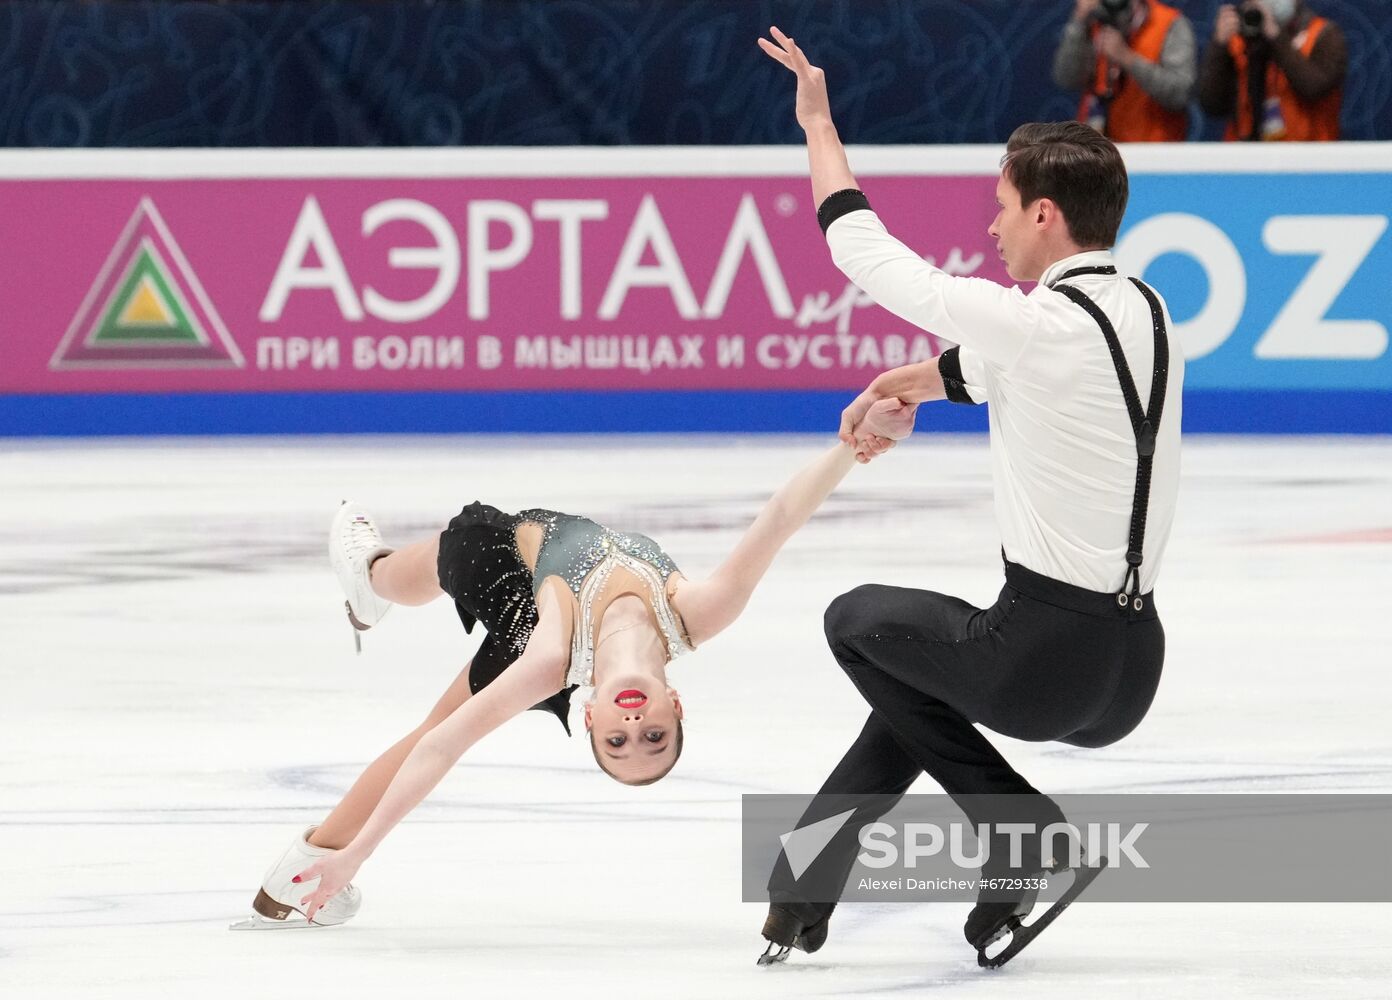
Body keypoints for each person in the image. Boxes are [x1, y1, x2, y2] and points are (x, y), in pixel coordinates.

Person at [757, 26, 1183, 965]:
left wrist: (819, 124)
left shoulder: (1033, 324)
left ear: (1043, 214)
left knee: (856, 620)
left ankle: (1019, 829)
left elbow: (862, 252)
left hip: (1044, 661)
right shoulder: (1144, 313)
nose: (989, 229)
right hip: (1131, 668)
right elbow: (991, 369)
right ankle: (803, 888)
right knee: (914, 677)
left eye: (999, 209)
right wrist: (894, 388)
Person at [231, 417, 911, 929]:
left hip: (507, 568)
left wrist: (360, 857)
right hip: (541, 612)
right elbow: (782, 516)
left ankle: (310, 862)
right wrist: (855, 447)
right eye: (654, 737)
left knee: (443, 609)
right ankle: (371, 590)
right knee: (430, 655)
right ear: (676, 704)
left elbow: (442, 747)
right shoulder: (701, 612)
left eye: (618, 740)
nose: (636, 726)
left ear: (590, 714)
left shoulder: (553, 659)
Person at [1197, 0, 1346, 141]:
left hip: (1306, 156)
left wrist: (1275, 37)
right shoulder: (1238, 37)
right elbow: (1212, 105)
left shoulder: (1324, 34)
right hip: (1245, 156)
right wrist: (1219, 46)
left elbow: (1313, 88)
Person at [1052, 0, 1198, 142]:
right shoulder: (1094, 18)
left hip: (1153, 153)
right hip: (1097, 150)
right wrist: (1079, 22)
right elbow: (1067, 78)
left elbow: (1180, 94)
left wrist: (1127, 58)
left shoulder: (1168, 23)